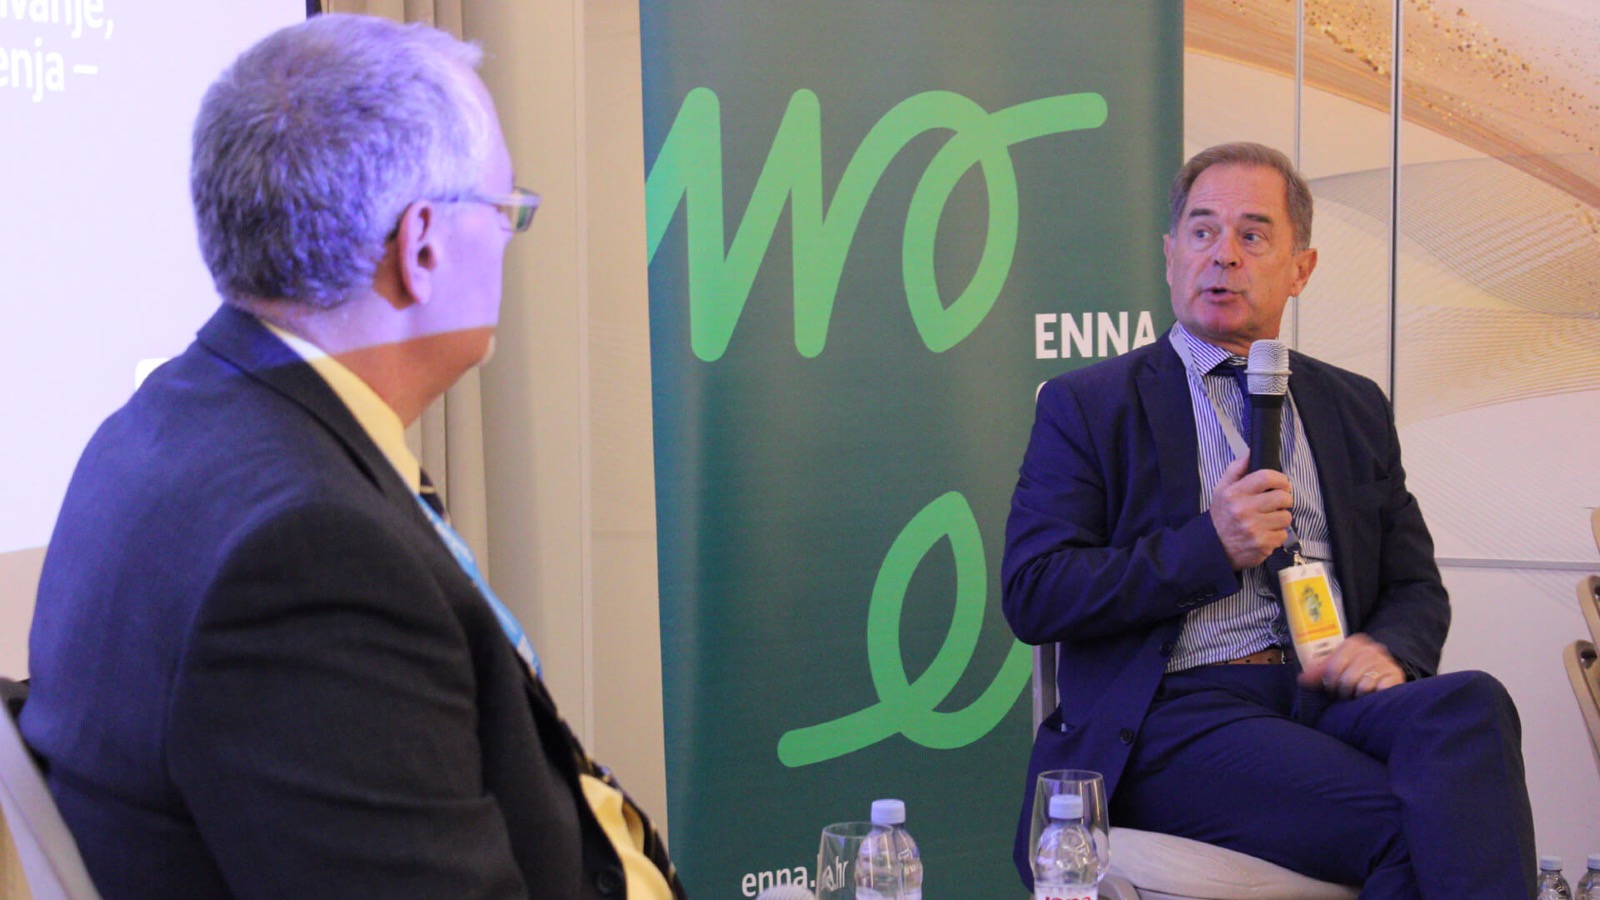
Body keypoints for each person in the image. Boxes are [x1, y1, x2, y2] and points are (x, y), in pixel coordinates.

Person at [22, 14, 683, 899]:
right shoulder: (311, 558)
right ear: (422, 245)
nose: (509, 240)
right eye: (505, 212)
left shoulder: (159, 426)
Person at [1003, 142, 1535, 896]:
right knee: (1424, 824)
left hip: (1325, 695)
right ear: (1170, 255)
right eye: (1202, 231)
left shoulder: (1353, 406)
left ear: (1300, 269)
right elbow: (1035, 591)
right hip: (1177, 715)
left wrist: (1387, 649)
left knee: (1472, 704)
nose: (1223, 255)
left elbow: (1415, 584)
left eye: (1252, 235)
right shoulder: (1091, 405)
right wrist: (1209, 544)